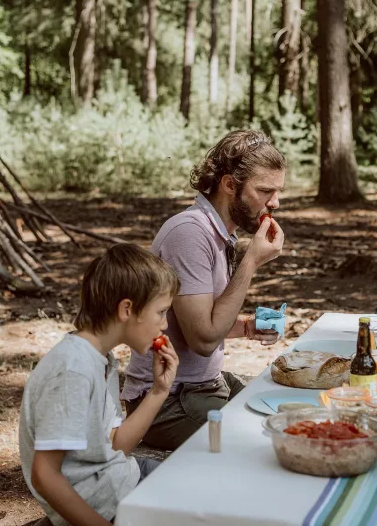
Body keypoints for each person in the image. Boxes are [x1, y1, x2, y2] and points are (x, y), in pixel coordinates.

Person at [122, 130, 286, 450]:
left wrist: (248, 328)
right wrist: (250, 262)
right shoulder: (190, 233)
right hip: (167, 402)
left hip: (203, 387)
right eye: (265, 190)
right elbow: (203, 340)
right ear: (229, 185)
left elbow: (195, 323)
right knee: (262, 446)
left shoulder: (219, 232)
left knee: (285, 418)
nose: (275, 203)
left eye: (278, 191)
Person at [19, 244, 180, 526]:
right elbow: (45, 475)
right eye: (161, 312)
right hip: (104, 504)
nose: (164, 325)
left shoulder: (100, 359)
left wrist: (159, 391)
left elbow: (116, 445)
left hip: (118, 479)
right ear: (127, 309)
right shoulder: (72, 370)